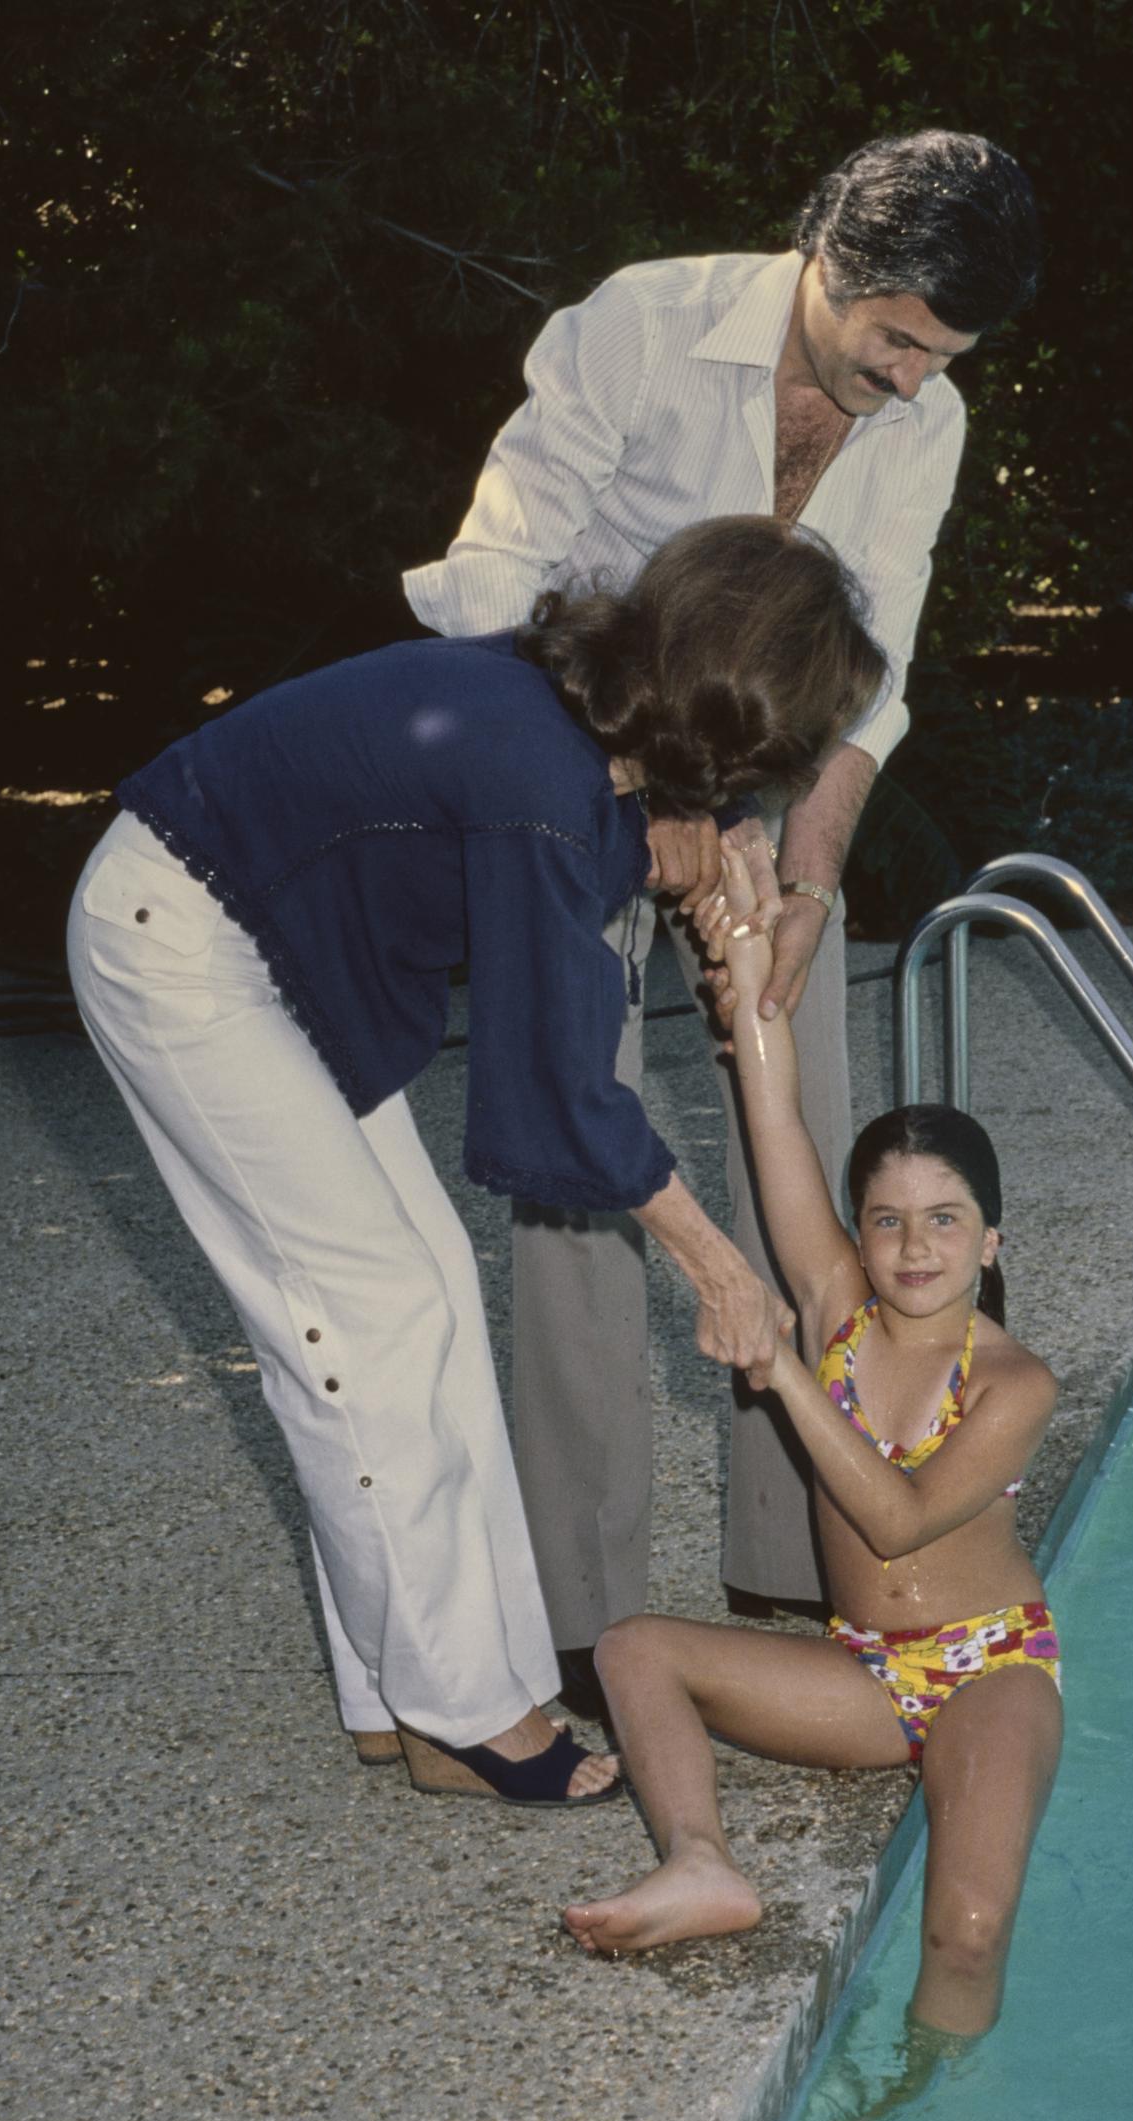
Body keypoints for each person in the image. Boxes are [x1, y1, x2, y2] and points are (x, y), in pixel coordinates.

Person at [66, 518, 883, 1808]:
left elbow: (625, 822)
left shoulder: (595, 705)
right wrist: (720, 1267)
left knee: (429, 1283)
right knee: (370, 1318)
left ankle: (411, 1687)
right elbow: (556, 1089)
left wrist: (699, 834)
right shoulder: (540, 779)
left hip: (276, 948)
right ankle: (457, 1715)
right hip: (182, 946)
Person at [403, 130, 1042, 1694]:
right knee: (577, 1155)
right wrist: (651, 794)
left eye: (937, 357)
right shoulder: (637, 324)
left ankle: (789, 1554)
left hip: (761, 802)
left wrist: (809, 873)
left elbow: (869, 672)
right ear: (821, 253)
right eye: (892, 338)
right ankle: (580, 1599)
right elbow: (494, 582)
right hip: (572, 767)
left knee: (806, 1143)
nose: (905, 385)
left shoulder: (927, 417)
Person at [563, 847, 1062, 2033]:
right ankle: (700, 1862)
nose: (914, 1246)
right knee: (630, 1650)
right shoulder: (841, 1308)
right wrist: (741, 969)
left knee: (969, 1929)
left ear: (989, 1242)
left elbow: (893, 1517)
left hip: (987, 1670)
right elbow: (772, 1110)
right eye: (885, 1220)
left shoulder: (1014, 1382)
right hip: (859, 1675)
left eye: (945, 1222)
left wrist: (778, 1368)